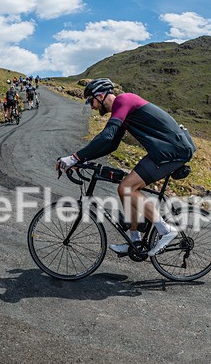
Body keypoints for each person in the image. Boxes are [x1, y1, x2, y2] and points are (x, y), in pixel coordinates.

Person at [56, 78, 196, 256]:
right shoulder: (122, 109)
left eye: (91, 101)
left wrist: (74, 157)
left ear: (100, 96)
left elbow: (107, 135)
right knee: (124, 190)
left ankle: (165, 230)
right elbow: (111, 144)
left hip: (173, 150)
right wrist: (82, 160)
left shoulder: (123, 101)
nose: (92, 107)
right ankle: (135, 241)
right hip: (163, 151)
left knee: (127, 188)